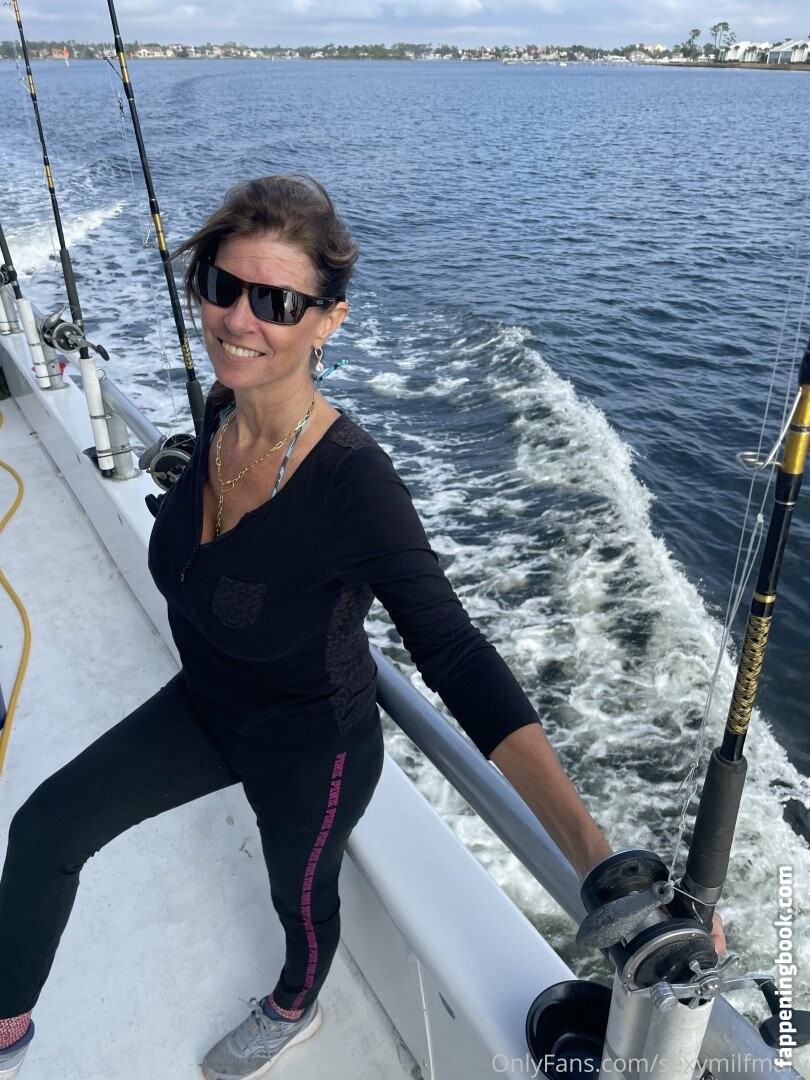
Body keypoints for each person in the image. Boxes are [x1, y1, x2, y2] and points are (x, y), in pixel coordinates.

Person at [0, 175, 721, 1080]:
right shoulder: (221, 408)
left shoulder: (356, 485)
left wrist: (599, 862)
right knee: (46, 825)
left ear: (327, 321)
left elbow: (457, 655)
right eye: (222, 286)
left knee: (297, 901)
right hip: (207, 704)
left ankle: (293, 1005)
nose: (238, 319)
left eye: (276, 301)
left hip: (311, 747)